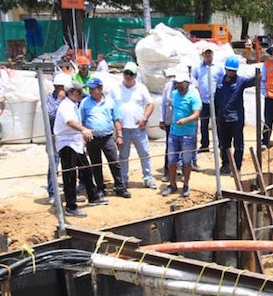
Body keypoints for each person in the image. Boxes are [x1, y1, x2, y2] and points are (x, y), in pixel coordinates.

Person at [52, 78, 95, 218]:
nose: (81, 94)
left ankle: (93, 196)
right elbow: (70, 122)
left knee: (86, 169)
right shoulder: (65, 106)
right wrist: (84, 130)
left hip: (75, 142)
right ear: (71, 92)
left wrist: (82, 137)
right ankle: (71, 206)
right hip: (66, 143)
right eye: (78, 92)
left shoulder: (73, 105)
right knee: (70, 175)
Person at [80, 77, 127, 200]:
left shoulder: (110, 102)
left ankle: (120, 187)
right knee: (96, 164)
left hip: (107, 137)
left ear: (100, 88)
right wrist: (84, 135)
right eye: (89, 88)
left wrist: (120, 135)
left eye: (93, 88)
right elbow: (81, 121)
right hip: (92, 138)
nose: (90, 91)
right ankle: (100, 188)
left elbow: (116, 119)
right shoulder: (85, 103)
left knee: (114, 162)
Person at [114, 62, 157, 190]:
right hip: (123, 128)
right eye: (126, 73)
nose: (128, 76)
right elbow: (110, 106)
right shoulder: (116, 89)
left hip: (138, 128)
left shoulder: (141, 88)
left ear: (135, 75)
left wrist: (144, 118)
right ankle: (123, 179)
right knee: (123, 155)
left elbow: (151, 104)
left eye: (131, 74)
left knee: (144, 153)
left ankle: (148, 178)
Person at [213, 56, 259, 174]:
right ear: (225, 69)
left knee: (238, 144)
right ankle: (225, 164)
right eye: (229, 70)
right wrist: (215, 116)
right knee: (224, 144)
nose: (230, 72)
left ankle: (237, 167)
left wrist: (260, 75)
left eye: (233, 71)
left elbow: (253, 81)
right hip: (223, 118)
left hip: (236, 118)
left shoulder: (241, 81)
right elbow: (216, 99)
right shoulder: (219, 82)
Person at [162, 73, 200, 198]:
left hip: (188, 134)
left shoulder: (193, 96)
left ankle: (185, 185)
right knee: (172, 160)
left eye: (181, 83)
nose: (178, 86)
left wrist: (185, 120)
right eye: (177, 83)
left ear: (187, 83)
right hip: (174, 133)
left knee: (186, 161)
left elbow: (196, 114)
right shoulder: (174, 95)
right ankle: (172, 185)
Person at [191, 47, 222, 155]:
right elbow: (193, 80)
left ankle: (221, 144)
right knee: (204, 123)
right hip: (203, 100)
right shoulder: (198, 68)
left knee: (219, 123)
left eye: (210, 54)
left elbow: (222, 82)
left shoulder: (218, 68)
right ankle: (205, 145)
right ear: (202, 55)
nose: (208, 56)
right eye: (206, 54)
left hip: (216, 100)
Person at [44, 73, 68, 199]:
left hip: (68, 136)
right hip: (54, 136)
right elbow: (51, 114)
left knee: (70, 164)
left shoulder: (70, 98)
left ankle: (70, 190)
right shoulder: (48, 99)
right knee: (54, 164)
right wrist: (59, 100)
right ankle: (53, 193)